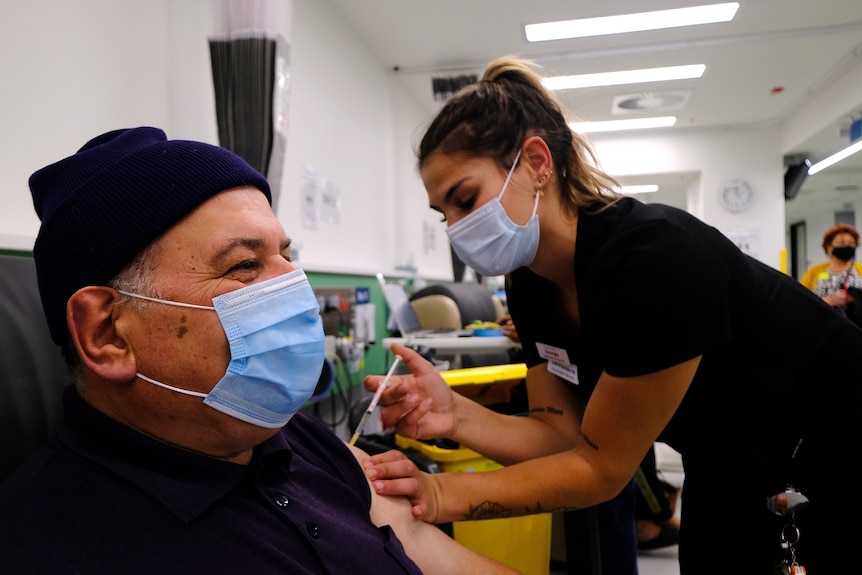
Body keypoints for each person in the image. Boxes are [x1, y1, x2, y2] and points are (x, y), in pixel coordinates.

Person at [362, 57, 856, 574]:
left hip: (835, 443)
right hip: (726, 458)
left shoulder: (653, 257)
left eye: (465, 200)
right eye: (446, 214)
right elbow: (562, 434)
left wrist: (437, 496)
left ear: (536, 163)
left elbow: (600, 470)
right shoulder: (530, 283)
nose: (457, 230)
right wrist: (457, 414)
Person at [0, 127, 518, 575]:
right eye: (244, 266)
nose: (297, 287)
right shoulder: (49, 551)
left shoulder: (295, 439)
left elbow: (432, 552)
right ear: (108, 335)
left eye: (287, 256)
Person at [800, 223, 862, 321]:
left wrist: (855, 298)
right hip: (821, 325)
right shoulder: (814, 271)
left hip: (854, 327)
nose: (847, 246)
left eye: (851, 243)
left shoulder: (860, 269)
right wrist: (829, 301)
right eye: (842, 243)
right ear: (829, 247)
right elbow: (801, 299)